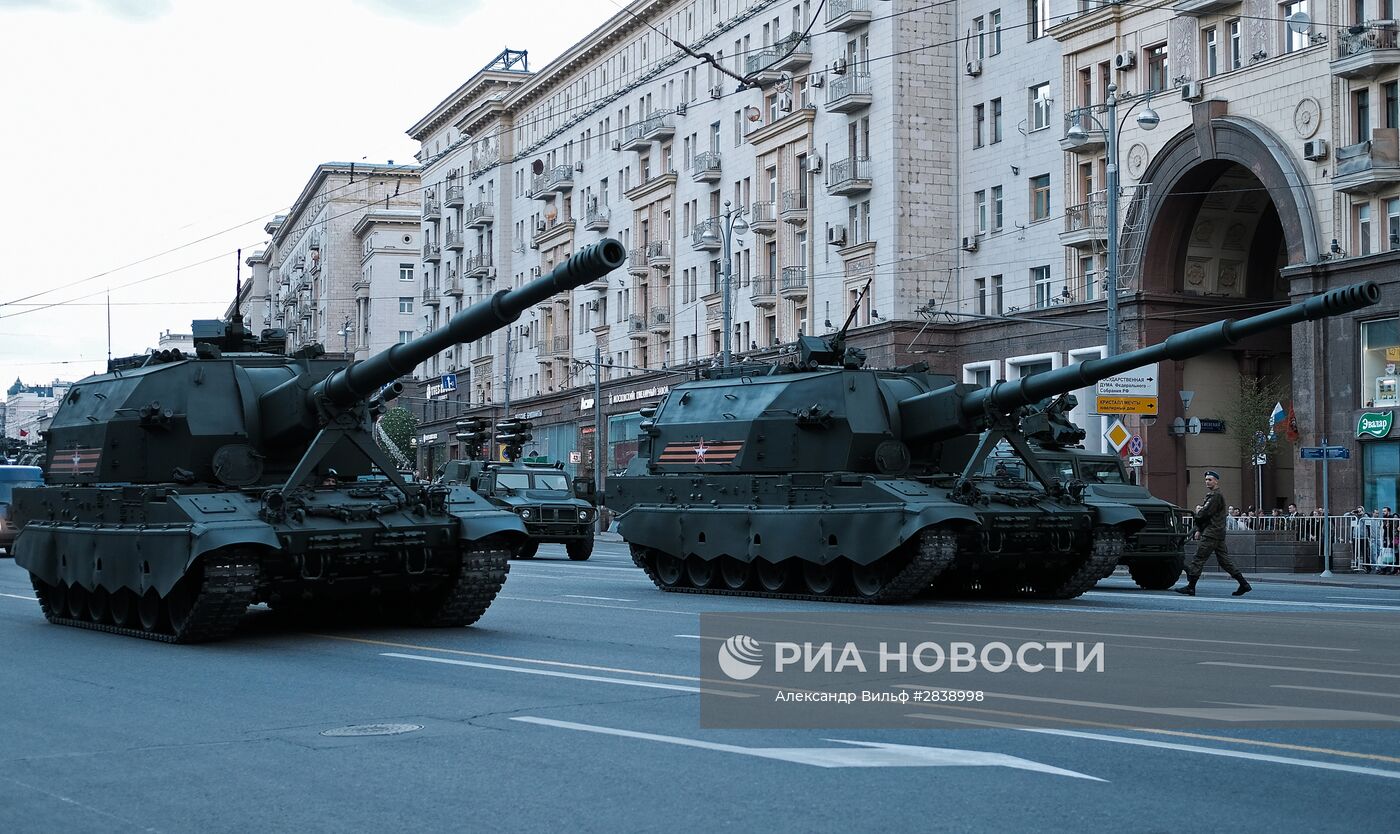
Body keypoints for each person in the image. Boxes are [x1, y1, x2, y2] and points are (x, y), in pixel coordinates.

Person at [1176, 470, 1252, 596]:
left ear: (1216, 481)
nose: (1207, 482)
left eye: (1210, 479)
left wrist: (1198, 513)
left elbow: (1204, 514)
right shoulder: (1214, 495)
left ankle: (1191, 586)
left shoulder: (1215, 496)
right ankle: (1244, 584)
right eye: (1206, 479)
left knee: (1198, 558)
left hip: (1211, 532)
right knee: (1224, 560)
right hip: (1217, 532)